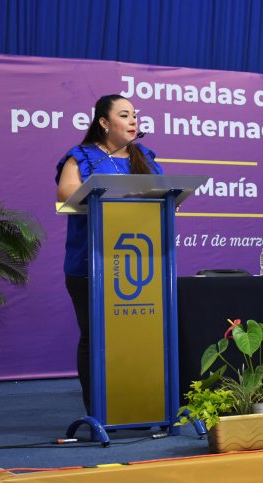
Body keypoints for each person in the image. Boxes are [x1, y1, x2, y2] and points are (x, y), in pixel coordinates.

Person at [55, 94, 163, 412]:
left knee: (135, 338)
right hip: (90, 264)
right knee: (95, 336)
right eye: (125, 115)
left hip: (138, 266)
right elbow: (65, 195)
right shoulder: (82, 156)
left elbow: (168, 195)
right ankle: (99, 411)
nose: (133, 121)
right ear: (104, 122)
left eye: (135, 116)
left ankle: (138, 407)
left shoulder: (143, 156)